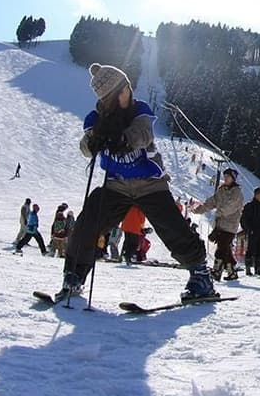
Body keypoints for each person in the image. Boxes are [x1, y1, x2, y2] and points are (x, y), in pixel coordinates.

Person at [56, 64, 216, 302]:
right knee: (87, 224)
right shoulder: (97, 119)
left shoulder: (139, 110)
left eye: (126, 89)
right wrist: (93, 141)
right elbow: (85, 147)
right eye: (119, 93)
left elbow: (144, 134)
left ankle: (200, 276)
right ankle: (74, 275)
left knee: (172, 227)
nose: (125, 95)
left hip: (149, 183)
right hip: (116, 185)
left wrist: (123, 139)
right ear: (107, 98)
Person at [192, 168, 244, 281]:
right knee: (225, 248)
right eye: (225, 176)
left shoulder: (237, 193)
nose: (226, 178)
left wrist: (218, 212)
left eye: (228, 177)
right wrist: (200, 209)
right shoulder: (221, 190)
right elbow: (212, 201)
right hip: (220, 224)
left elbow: (230, 207)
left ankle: (217, 270)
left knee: (222, 247)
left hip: (230, 225)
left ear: (233, 178)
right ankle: (231, 271)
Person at [240, 187, 260, 276]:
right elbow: (243, 219)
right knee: (250, 250)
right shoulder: (249, 206)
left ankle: (258, 269)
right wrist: (248, 229)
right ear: (256, 195)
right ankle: (248, 269)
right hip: (252, 231)